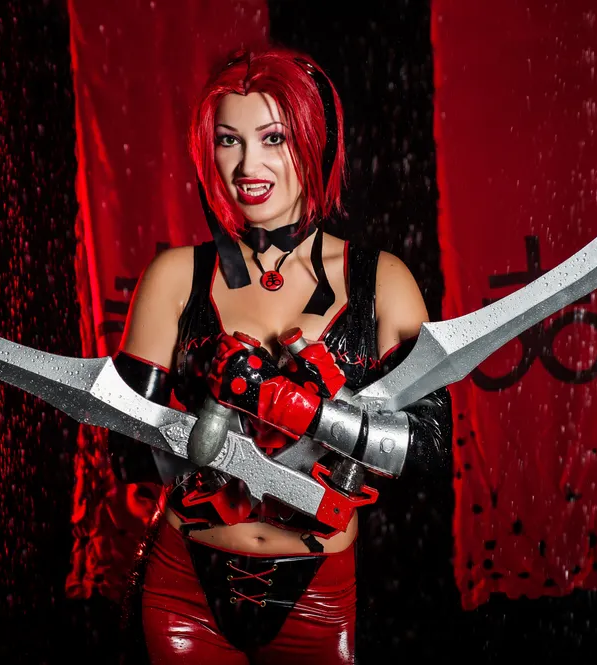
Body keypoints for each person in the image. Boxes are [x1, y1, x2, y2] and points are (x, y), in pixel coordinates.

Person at [112, 46, 452, 664]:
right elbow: (129, 455)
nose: (249, 165)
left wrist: (307, 411)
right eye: (229, 140)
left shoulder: (380, 281)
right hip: (185, 589)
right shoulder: (176, 277)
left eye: (274, 137)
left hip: (319, 594)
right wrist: (216, 401)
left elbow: (429, 447)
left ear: (316, 142)